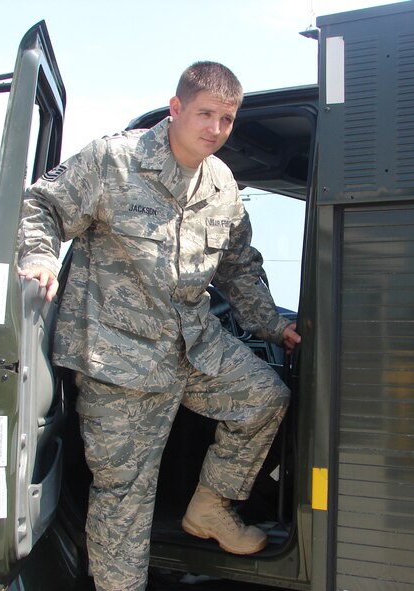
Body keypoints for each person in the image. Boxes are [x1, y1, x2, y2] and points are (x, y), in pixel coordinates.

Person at [18, 61, 301, 591]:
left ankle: (210, 508)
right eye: (205, 114)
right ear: (176, 110)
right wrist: (38, 256)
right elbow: (41, 205)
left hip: (193, 346)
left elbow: (239, 266)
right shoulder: (114, 161)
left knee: (265, 398)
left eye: (227, 118)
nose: (215, 129)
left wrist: (271, 326)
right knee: (125, 499)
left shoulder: (222, 186)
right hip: (120, 359)